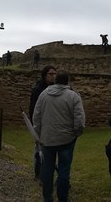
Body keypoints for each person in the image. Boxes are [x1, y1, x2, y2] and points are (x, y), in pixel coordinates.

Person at [33, 70, 85, 202]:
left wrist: (38, 134)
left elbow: (36, 116)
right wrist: (76, 133)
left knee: (47, 169)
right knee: (64, 171)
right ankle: (62, 198)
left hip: (48, 139)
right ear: (67, 81)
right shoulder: (73, 96)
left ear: (56, 80)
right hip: (66, 140)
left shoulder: (43, 95)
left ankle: (47, 197)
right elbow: (79, 120)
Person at [29, 65, 57, 181]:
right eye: (50, 74)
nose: (53, 76)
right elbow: (33, 109)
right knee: (39, 150)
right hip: (40, 125)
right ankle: (38, 173)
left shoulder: (55, 88)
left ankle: (48, 174)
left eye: (54, 74)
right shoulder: (38, 90)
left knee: (51, 152)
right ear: (45, 75)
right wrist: (35, 127)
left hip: (52, 125)